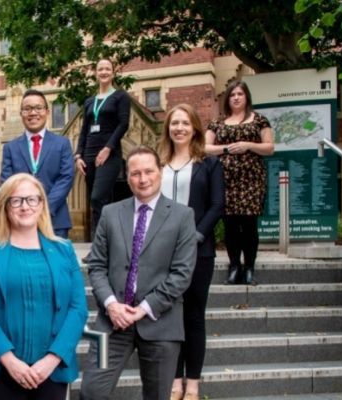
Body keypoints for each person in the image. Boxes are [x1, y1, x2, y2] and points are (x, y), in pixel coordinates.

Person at [80, 145, 197, 400]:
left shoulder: (183, 216)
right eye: (135, 173)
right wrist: (112, 305)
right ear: (127, 175)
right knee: (91, 392)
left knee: (156, 396)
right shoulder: (111, 214)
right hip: (110, 325)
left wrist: (143, 308)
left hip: (160, 324)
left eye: (148, 172)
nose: (142, 179)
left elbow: (182, 274)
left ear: (160, 172)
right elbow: (97, 266)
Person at [0, 173, 88, 400]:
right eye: (16, 200)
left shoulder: (64, 249)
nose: (25, 206)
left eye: (32, 199)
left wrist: (52, 359)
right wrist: (8, 359)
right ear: (4, 206)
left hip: (50, 370)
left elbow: (78, 309)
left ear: (41, 205)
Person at [158, 104, 224, 400]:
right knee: (169, 315)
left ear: (195, 127)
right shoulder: (158, 162)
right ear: (168, 128)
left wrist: (196, 235)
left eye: (185, 123)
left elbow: (217, 205)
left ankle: (193, 382)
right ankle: (173, 380)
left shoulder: (208, 163)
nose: (180, 128)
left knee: (194, 316)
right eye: (174, 123)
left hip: (199, 250)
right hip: (161, 252)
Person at [205, 81, 274, 285]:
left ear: (247, 97)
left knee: (249, 225)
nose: (236, 97)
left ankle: (249, 267)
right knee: (231, 226)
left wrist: (247, 145)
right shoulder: (217, 123)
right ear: (227, 98)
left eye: (240, 94)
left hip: (251, 180)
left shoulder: (259, 120)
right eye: (232, 94)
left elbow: (269, 147)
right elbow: (204, 147)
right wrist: (227, 149)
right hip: (224, 180)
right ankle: (234, 266)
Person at [1, 89, 74, 238]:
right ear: (21, 114)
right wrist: (26, 207)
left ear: (47, 112)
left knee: (56, 262)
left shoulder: (62, 144)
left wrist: (45, 208)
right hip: (21, 220)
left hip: (55, 220)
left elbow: (66, 178)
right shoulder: (10, 148)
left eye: (38, 108)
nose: (33, 113)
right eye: (27, 109)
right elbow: (7, 182)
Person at [75, 59, 131, 238]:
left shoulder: (120, 96)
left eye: (108, 69)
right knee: (101, 202)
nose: (104, 72)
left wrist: (108, 148)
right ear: (96, 73)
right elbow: (84, 129)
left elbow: (123, 124)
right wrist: (78, 155)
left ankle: (101, 246)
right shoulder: (90, 101)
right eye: (101, 69)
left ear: (113, 73)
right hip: (89, 154)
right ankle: (104, 245)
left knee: (97, 197)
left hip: (109, 154)